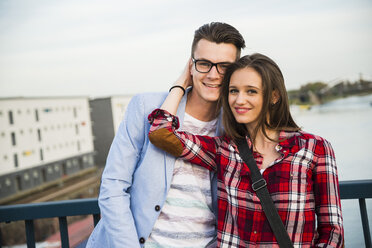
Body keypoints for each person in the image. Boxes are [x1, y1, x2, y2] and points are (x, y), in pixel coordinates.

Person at [148, 53, 344, 247]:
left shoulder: (315, 149)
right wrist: (181, 83)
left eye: (251, 91)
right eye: (233, 91)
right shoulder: (223, 150)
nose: (239, 100)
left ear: (274, 96)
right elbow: (160, 132)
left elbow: (333, 233)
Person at [86, 22, 245, 247]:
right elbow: (113, 185)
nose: (213, 74)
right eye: (204, 64)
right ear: (191, 66)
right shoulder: (145, 107)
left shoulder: (238, 126)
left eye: (224, 67)